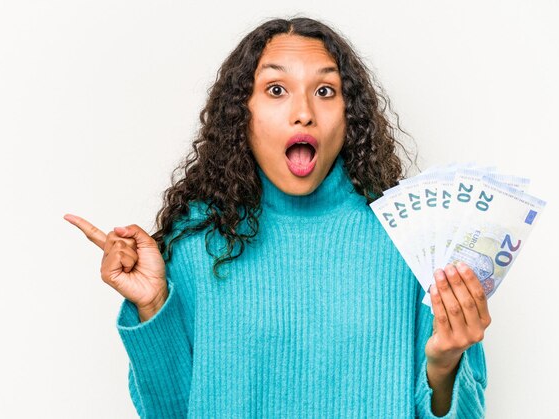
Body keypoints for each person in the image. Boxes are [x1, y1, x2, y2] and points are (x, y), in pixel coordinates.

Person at [64, 17, 490, 418]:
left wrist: (445, 362)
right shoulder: (195, 241)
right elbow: (169, 412)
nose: (303, 111)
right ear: (241, 113)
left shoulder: (413, 235)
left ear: (350, 114)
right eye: (276, 89)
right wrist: (154, 305)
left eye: (325, 91)